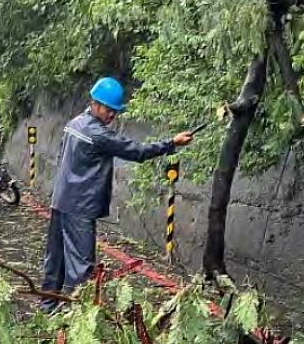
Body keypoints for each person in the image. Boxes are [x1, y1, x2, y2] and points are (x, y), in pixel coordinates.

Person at [41, 77, 195, 311]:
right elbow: (137, 152)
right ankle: (77, 320)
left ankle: (48, 308)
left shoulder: (74, 123)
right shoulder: (99, 134)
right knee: (81, 268)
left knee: (56, 260)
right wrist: (171, 143)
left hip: (60, 200)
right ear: (95, 103)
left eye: (116, 111)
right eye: (110, 110)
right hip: (80, 208)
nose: (113, 115)